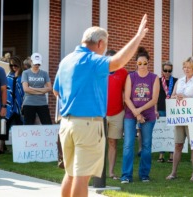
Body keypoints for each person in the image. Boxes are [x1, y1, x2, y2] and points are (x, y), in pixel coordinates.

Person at [53, 14, 148, 197]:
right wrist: (138, 37)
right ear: (100, 44)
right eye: (104, 46)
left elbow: (56, 91)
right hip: (88, 125)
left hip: (66, 124)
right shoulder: (93, 61)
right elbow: (119, 62)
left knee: (70, 174)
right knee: (82, 177)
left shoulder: (66, 61)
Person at [120, 46, 160, 184]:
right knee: (128, 144)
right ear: (136, 63)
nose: (142, 66)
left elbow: (154, 100)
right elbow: (126, 98)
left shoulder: (154, 78)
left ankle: (144, 174)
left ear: (148, 63)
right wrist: (136, 113)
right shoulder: (131, 77)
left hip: (148, 115)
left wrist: (140, 110)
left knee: (147, 145)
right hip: (131, 114)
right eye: (139, 63)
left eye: (145, 63)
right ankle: (126, 175)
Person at [166, 56, 193, 181]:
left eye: (189, 67)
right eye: (184, 67)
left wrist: (186, 97)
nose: (186, 69)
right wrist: (176, 97)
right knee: (177, 145)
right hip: (179, 116)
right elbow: (171, 96)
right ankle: (173, 172)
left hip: (192, 118)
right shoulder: (179, 81)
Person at [105, 49, 128, 179]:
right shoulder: (99, 71)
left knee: (113, 142)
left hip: (117, 113)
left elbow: (127, 91)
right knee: (97, 143)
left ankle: (111, 172)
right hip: (100, 114)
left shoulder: (123, 72)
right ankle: (97, 171)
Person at [0, 56, 25, 154]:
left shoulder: (24, 76)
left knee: (20, 127)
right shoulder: (8, 76)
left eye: (15, 65)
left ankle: (22, 147)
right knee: (4, 126)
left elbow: (24, 91)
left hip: (20, 105)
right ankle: (1, 147)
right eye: (11, 65)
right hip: (8, 105)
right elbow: (4, 90)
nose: (13, 67)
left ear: (19, 64)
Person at [21, 53, 52, 125]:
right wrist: (42, 91)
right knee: (28, 126)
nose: (37, 65)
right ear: (31, 62)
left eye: (38, 64)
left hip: (42, 103)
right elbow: (26, 89)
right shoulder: (25, 73)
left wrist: (32, 89)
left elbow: (50, 88)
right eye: (35, 63)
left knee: (47, 124)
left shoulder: (44, 73)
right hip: (29, 103)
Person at [156, 61, 177, 163]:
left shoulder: (176, 81)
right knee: (162, 132)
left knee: (171, 132)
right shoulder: (158, 81)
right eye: (165, 70)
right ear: (162, 71)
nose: (167, 72)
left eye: (169, 70)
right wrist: (155, 110)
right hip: (161, 109)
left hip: (172, 110)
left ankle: (171, 154)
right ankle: (161, 154)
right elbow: (155, 97)